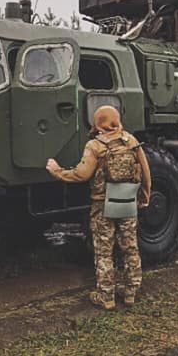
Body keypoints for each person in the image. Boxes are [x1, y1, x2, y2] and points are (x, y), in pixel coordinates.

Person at [46, 105, 151, 310]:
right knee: (130, 247)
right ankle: (131, 292)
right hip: (128, 203)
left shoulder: (95, 145)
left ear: (97, 123)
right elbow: (146, 172)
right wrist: (144, 197)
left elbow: (81, 174)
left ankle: (106, 296)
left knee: (104, 251)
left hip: (103, 206)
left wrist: (57, 171)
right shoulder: (131, 141)